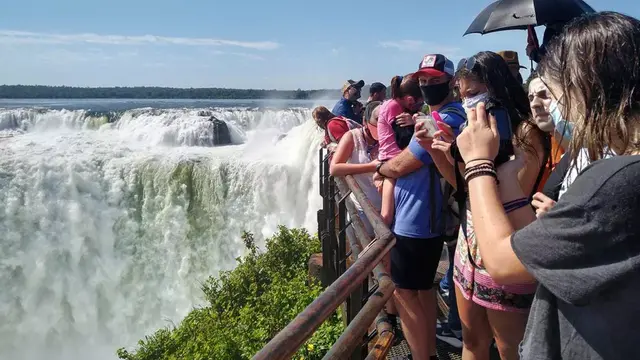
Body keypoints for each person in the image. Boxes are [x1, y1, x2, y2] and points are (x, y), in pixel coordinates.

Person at [455, 12, 640, 360]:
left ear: (585, 89)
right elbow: (541, 246)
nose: (554, 109)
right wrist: (508, 180)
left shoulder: (615, 179)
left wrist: (478, 164)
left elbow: (503, 262)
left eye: (555, 94)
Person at [429, 51, 547, 360]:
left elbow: (512, 196)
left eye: (474, 93)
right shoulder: (471, 134)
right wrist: (444, 155)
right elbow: (465, 191)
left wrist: (480, 158)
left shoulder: (526, 133)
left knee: (511, 349)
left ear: (496, 89)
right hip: (470, 249)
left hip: (507, 251)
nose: (468, 101)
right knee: (472, 341)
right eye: (463, 94)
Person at [374, 54, 465, 360]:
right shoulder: (436, 115)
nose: (427, 86)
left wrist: (383, 169)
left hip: (419, 219)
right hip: (420, 217)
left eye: (434, 81)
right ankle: (425, 353)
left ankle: (420, 355)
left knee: (404, 293)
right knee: (421, 291)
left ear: (451, 83)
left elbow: (406, 162)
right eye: (423, 81)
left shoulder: (447, 118)